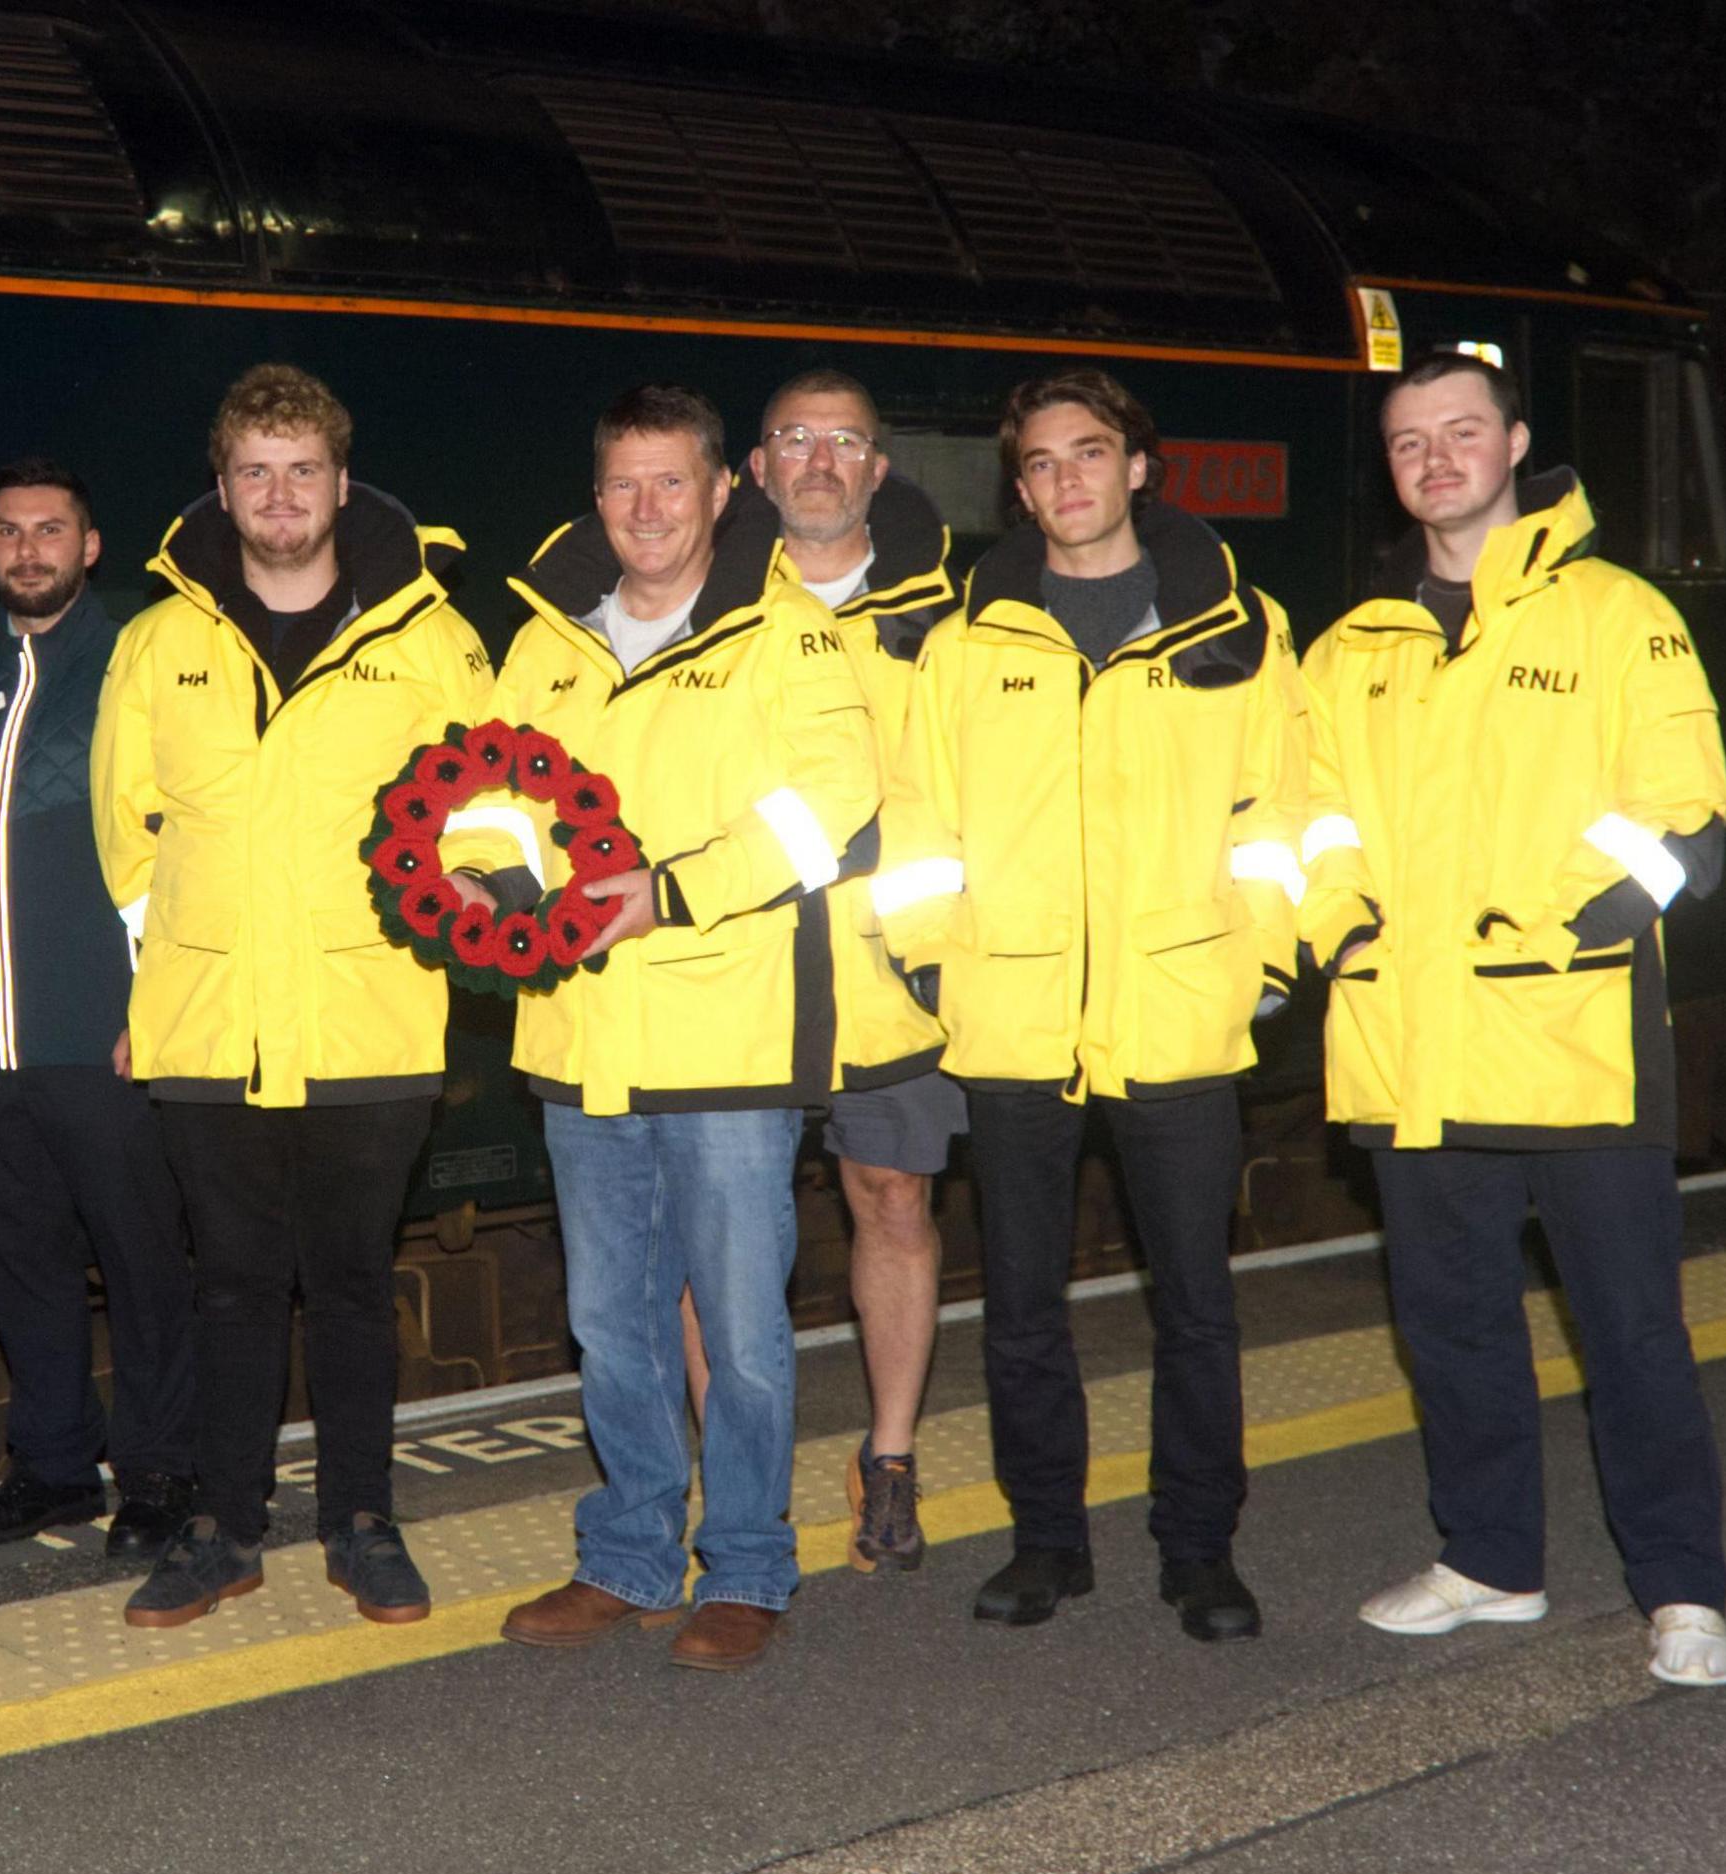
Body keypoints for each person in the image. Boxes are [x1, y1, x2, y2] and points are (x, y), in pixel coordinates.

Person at [1294, 353, 1726, 1685]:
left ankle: (1683, 1589)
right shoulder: (1350, 644)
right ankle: (1489, 1560)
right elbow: (1306, 829)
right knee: (1453, 1323)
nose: (1436, 458)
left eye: (1462, 431)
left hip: (1572, 1040)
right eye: (1409, 440)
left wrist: (1559, 933)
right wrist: (1342, 931)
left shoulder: (1616, 614)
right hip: (1410, 1042)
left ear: (1517, 443)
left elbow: (1686, 820)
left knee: (1629, 1328)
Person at [874, 368, 1305, 1640]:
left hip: (1179, 1013)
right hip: (1012, 1023)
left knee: (1196, 1304)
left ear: (1139, 469)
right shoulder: (967, 644)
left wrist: (1266, 962)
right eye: (1043, 463)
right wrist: (938, 965)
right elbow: (918, 829)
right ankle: (1046, 1541)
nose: (1068, 479)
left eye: (1091, 453)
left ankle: (1199, 1549)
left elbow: (1282, 816)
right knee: (1021, 1308)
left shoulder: (1238, 627)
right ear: (1020, 489)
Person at [91, 364, 502, 1629]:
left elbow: (487, 799)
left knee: (353, 1284)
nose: (280, 495)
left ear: (341, 480)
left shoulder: (429, 638)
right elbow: (126, 829)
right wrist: (165, 980)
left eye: (302, 470)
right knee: (230, 1286)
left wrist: (482, 890)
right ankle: (224, 1528)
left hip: (370, 1019)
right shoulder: (161, 640)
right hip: (212, 1028)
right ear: (223, 486)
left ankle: (361, 1521)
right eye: (256, 472)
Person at [486, 385, 878, 1672]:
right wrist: (491, 885)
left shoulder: (791, 636)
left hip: (723, 1033)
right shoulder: (548, 644)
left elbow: (832, 803)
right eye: (621, 484)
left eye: (671, 483)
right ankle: (631, 1554)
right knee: (612, 1319)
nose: (645, 509)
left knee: (745, 1330)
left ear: (725, 492)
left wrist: (672, 892)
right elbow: (489, 796)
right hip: (579, 1035)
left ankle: (752, 1564)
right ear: (595, 497)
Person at [0, 458, 198, 1562]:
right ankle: (56, 1467)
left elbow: (185, 847)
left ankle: (163, 1473)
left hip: (110, 1040)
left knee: (150, 1265)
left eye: (50, 530)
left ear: (90, 545)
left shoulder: (139, 663)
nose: (29, 549)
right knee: (21, 1267)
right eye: (9, 530)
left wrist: (159, 1007)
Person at [743, 368, 963, 1575]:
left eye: (845, 442)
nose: (820, 460)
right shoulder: (705, 606)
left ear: (878, 470)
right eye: (794, 439)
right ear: (757, 468)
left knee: (894, 1198)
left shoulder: (954, 621)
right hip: (737, 966)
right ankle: (742, 1472)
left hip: (891, 969)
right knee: (718, 1229)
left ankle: (889, 1455)